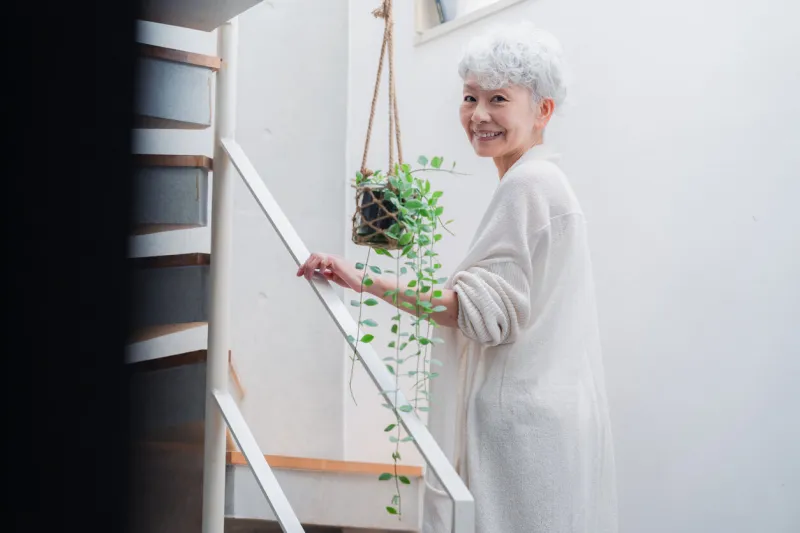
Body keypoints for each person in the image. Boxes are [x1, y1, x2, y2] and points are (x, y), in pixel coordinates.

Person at [296, 21, 618, 533]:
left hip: (516, 428)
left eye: (498, 99)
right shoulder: (545, 183)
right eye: (470, 97)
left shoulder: (529, 185)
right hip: (547, 416)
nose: (479, 114)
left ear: (542, 111)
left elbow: (477, 313)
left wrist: (363, 280)